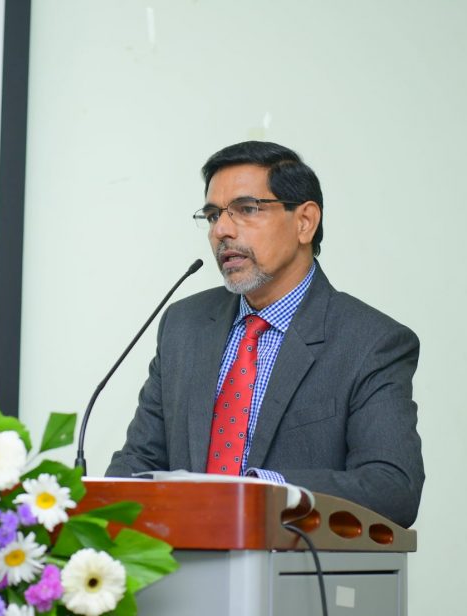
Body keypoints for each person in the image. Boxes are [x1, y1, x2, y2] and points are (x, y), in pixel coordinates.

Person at [105, 141, 424, 528]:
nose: (221, 230)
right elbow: (137, 463)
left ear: (304, 222)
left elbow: (392, 489)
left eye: (246, 209)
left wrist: (259, 494)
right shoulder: (184, 325)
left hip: (291, 559)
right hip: (179, 557)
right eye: (212, 215)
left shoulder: (370, 342)